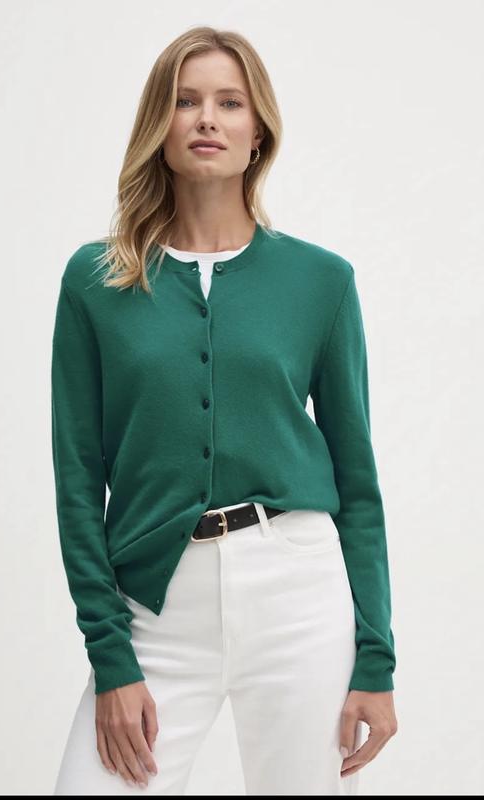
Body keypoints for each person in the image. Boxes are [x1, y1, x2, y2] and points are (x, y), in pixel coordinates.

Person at [50, 25, 398, 796]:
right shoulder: (96, 281)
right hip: (154, 607)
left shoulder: (321, 281)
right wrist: (111, 657)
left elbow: (358, 483)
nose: (207, 118)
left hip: (298, 594)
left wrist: (376, 658)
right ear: (159, 124)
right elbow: (77, 482)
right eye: (186, 101)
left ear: (257, 131)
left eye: (230, 102)